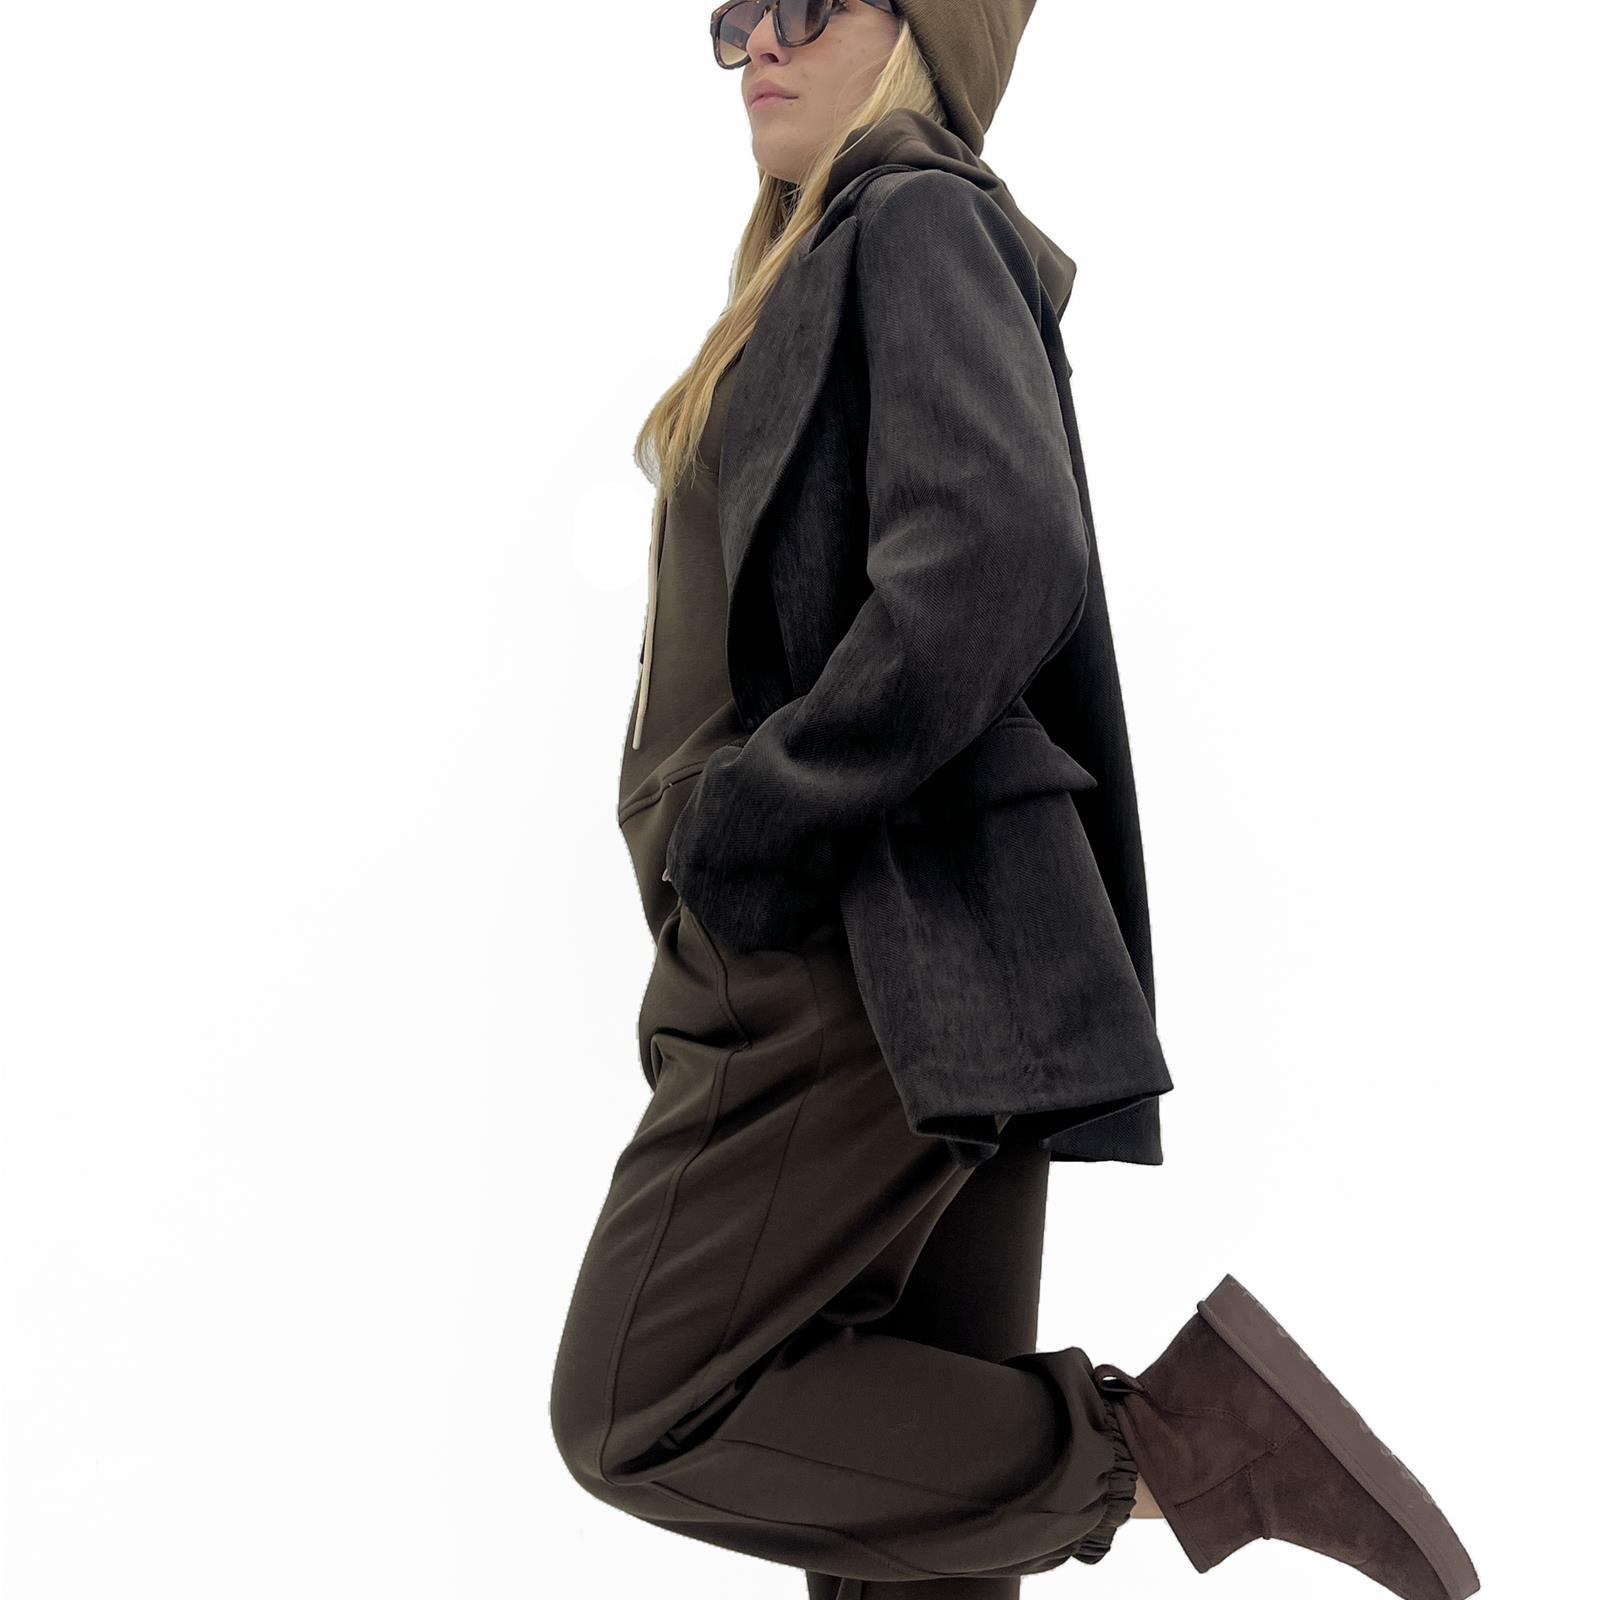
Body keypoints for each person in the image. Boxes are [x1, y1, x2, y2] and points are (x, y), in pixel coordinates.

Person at [550, 5, 1480, 1598]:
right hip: (913, 957)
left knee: (641, 1405)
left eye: (807, 4)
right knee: (906, 1545)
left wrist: (754, 828)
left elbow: (993, 554)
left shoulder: (911, 215)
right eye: (733, 14)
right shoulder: (834, 254)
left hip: (848, 947)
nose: (756, 43)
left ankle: (1192, 1441)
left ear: (925, 35)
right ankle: (1197, 1441)